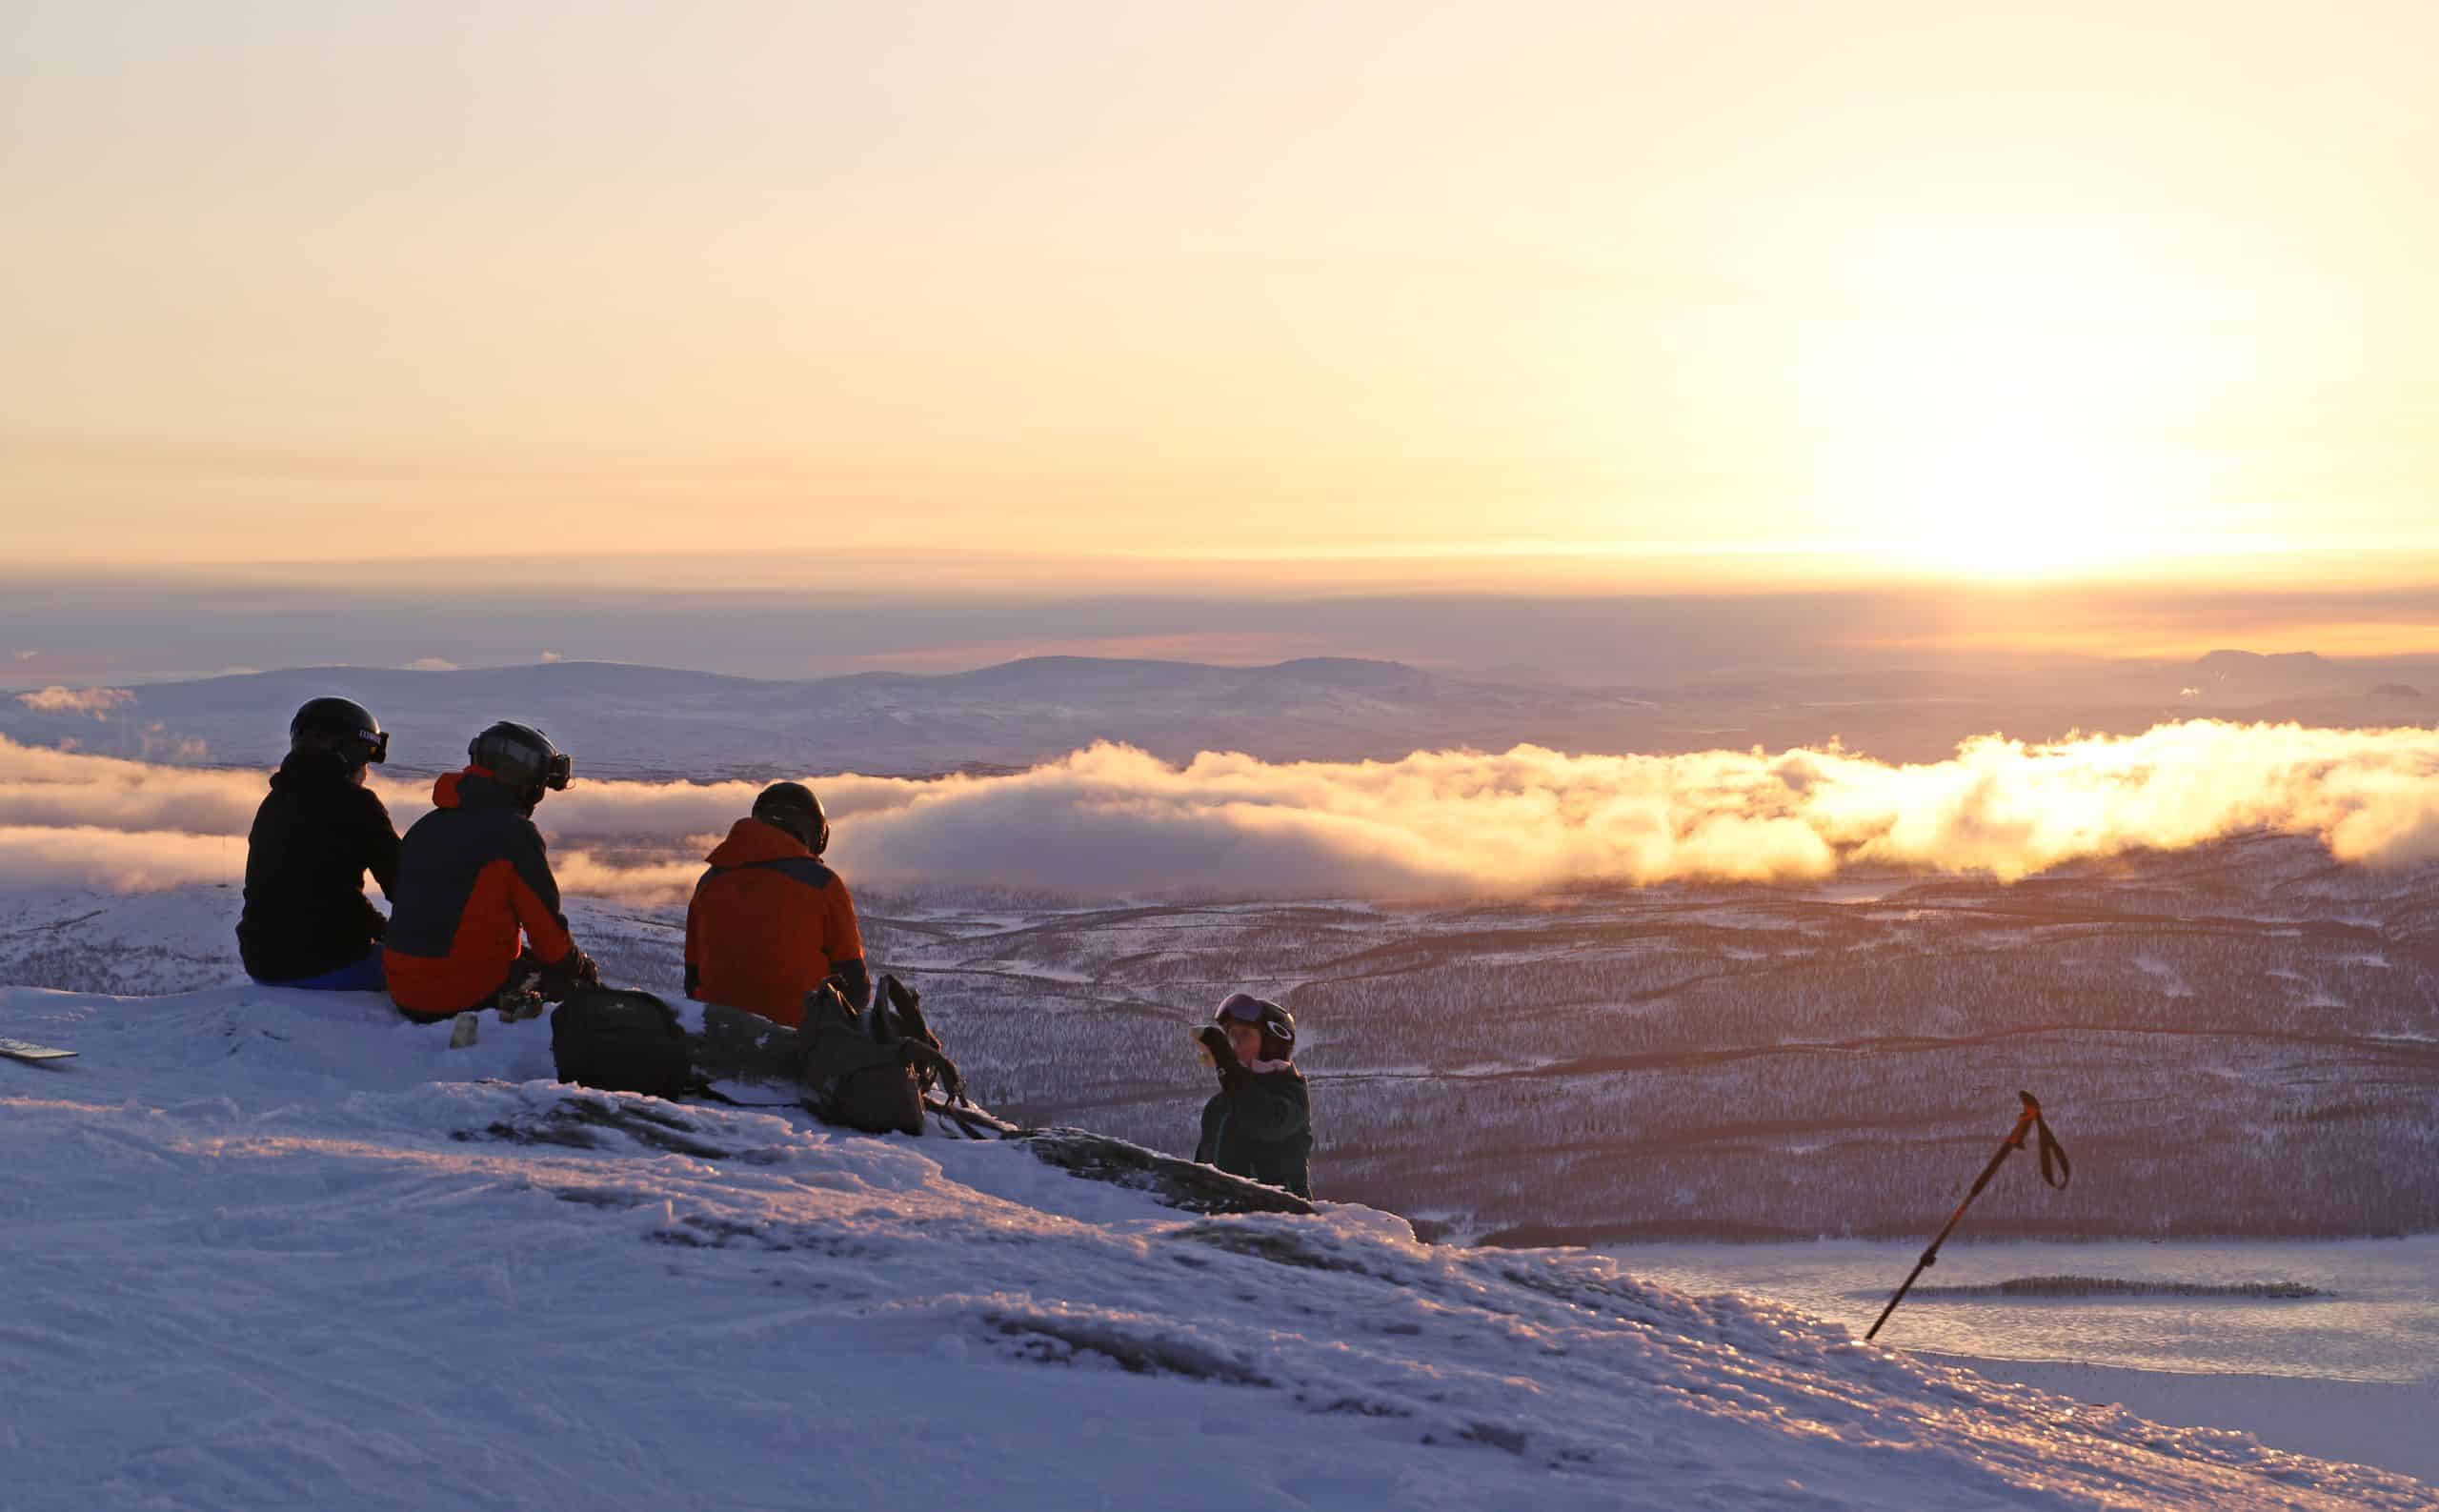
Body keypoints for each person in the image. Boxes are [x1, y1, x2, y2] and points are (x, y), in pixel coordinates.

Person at [384, 721, 596, 1022]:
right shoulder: (514, 835)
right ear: (528, 783)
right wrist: (579, 968)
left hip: (401, 984)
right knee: (567, 977)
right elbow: (548, 937)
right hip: (455, 994)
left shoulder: (426, 826)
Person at [236, 697, 400, 990]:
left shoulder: (275, 802)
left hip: (263, 964)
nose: (366, 770)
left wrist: (378, 927)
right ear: (348, 752)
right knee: (439, 973)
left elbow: (316, 891)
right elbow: (404, 886)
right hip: (326, 963)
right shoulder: (357, 804)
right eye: (364, 757)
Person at [684, 780, 869, 1027]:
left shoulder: (708, 882)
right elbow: (855, 987)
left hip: (719, 1035)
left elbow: (693, 979)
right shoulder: (823, 884)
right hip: (801, 1042)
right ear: (817, 834)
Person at [1193, 992, 1313, 1199]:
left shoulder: (1292, 1094)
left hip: (1286, 1221)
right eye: (1231, 1035)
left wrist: (1227, 1064)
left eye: (1245, 1034)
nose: (1235, 1043)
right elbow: (1203, 1170)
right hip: (1226, 1219)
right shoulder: (1219, 1104)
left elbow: (1266, 1123)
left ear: (1272, 1042)